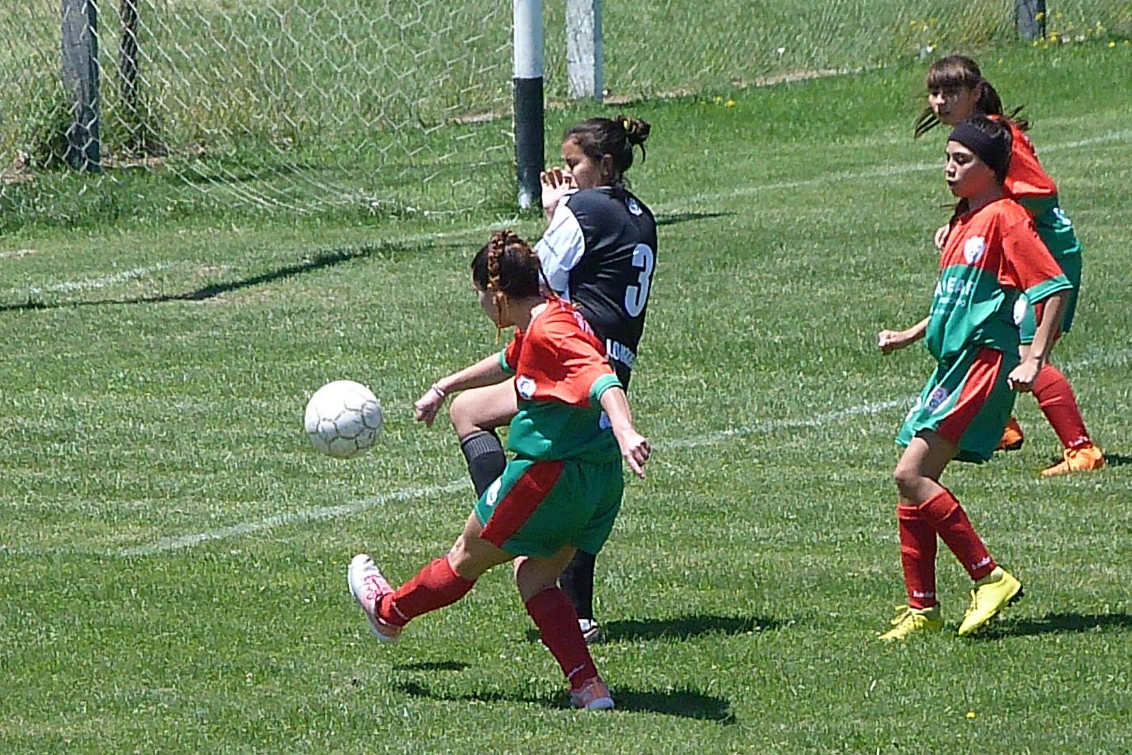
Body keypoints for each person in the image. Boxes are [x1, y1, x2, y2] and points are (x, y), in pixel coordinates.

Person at [348, 230, 651, 709]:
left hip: (547, 479)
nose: (483, 309)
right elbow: (511, 361)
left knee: (463, 557)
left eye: (482, 299)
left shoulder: (552, 331)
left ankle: (390, 612)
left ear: (498, 294)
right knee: (535, 579)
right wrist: (444, 386)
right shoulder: (553, 318)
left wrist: (626, 429)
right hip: (597, 483)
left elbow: (602, 379)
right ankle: (588, 687)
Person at [429, 116, 657, 643]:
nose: (567, 174)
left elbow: (538, 276)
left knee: (496, 428)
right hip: (611, 364)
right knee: (576, 470)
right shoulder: (641, 214)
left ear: (603, 164)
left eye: (574, 164)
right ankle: (569, 599)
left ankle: (509, 533)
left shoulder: (584, 207)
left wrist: (556, 214)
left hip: (569, 360)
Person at [876, 115, 1071, 640]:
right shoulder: (964, 221)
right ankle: (923, 608)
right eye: (946, 158)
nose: (949, 169)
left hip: (983, 362)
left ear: (991, 169)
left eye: (962, 161)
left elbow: (1053, 287)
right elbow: (957, 300)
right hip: (952, 363)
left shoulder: (1006, 217)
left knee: (910, 474)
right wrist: (912, 334)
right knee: (914, 485)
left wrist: (1034, 357)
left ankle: (991, 578)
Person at [914, 55, 1104, 477]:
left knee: (1025, 349)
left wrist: (992, 228)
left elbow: (1039, 192)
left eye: (952, 93)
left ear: (977, 93)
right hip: (1011, 255)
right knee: (978, 335)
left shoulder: (1000, 136)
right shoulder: (977, 137)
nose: (941, 102)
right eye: (935, 93)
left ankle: (1081, 449)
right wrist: (961, 225)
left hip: (1042, 253)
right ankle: (998, 426)